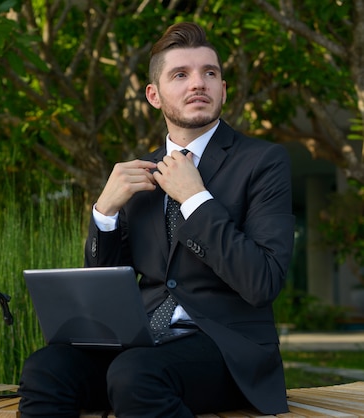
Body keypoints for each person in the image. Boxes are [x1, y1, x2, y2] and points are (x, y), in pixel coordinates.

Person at [17, 22, 295, 417]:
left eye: (209, 73)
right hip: (145, 344)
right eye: (180, 74)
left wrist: (195, 198)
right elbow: (102, 296)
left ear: (223, 89)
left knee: (136, 374)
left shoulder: (263, 162)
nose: (198, 83)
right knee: (47, 368)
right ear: (154, 95)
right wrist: (105, 213)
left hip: (227, 351)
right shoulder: (139, 173)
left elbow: (263, 281)